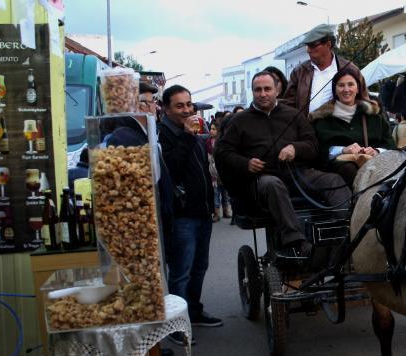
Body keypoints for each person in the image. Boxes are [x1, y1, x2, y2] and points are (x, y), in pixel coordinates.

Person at [215, 71, 351, 258]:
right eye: (258, 90)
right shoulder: (239, 121)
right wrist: (246, 163)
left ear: (276, 90)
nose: (263, 94)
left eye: (267, 89)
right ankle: (296, 240)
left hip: (298, 174)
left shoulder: (294, 115)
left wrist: (295, 148)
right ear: (253, 92)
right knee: (272, 184)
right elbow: (222, 153)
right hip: (261, 180)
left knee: (334, 180)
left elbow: (313, 145)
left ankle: (345, 231)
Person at [159, 84, 222, 329]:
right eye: (179, 105)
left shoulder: (194, 132)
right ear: (166, 109)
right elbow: (171, 170)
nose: (187, 110)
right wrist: (186, 135)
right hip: (182, 215)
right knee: (181, 272)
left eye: (189, 104)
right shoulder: (164, 135)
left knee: (199, 267)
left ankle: (193, 312)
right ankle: (177, 324)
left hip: (202, 211)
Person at [308, 67, 394, 187]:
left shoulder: (373, 115)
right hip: (340, 171)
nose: (346, 89)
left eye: (350, 84)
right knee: (349, 169)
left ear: (357, 88)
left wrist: (376, 151)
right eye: (341, 85)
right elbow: (318, 151)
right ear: (335, 90)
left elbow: (390, 144)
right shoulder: (323, 119)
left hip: (375, 164)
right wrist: (342, 150)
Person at [281, 23, 368, 116]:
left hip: (339, 128)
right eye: (307, 46)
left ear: (328, 44)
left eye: (312, 45)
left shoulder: (349, 68)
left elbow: (364, 101)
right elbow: (288, 105)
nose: (308, 50)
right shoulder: (299, 71)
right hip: (306, 128)